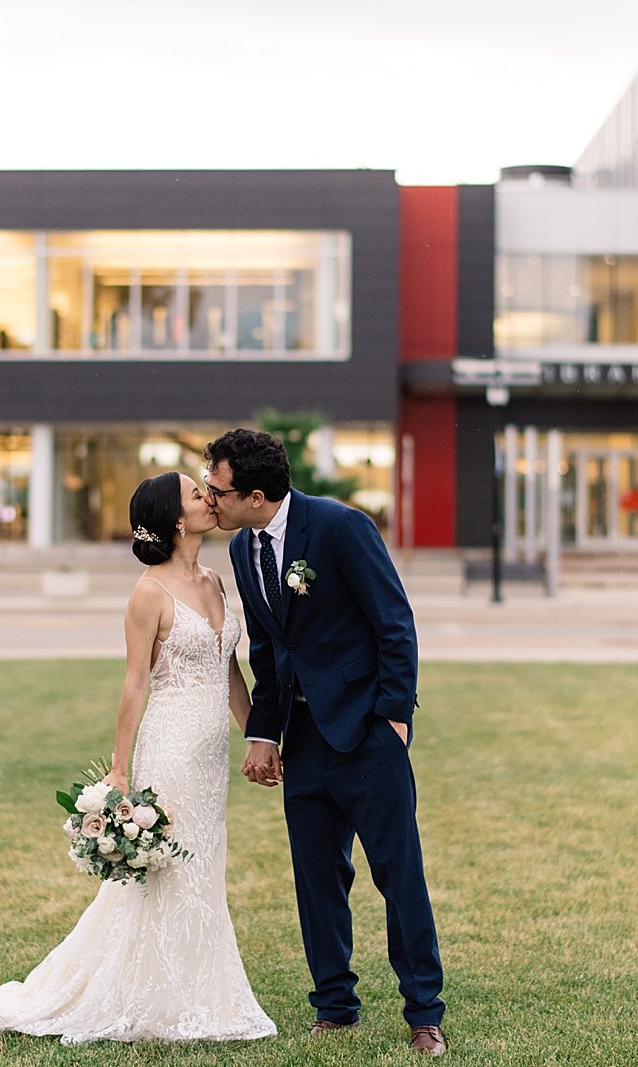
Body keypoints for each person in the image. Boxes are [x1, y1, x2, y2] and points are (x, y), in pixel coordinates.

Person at [0, 471, 276, 1045]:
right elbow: (134, 686)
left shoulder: (216, 581)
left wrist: (258, 737)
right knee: (166, 870)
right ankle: (150, 997)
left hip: (211, 755)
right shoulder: (148, 593)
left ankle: (196, 989)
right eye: (198, 494)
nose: (210, 499)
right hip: (168, 747)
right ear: (173, 519)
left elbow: (228, 670)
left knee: (203, 867)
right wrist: (119, 770)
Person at [203, 427, 448, 1057]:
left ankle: (424, 1013)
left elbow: (395, 622)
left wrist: (393, 718)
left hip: (367, 735)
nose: (210, 500)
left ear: (255, 496)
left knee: (400, 877)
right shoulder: (242, 550)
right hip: (303, 741)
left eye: (218, 490)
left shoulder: (341, 528)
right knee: (316, 880)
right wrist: (262, 732)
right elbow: (267, 649)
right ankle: (335, 1007)